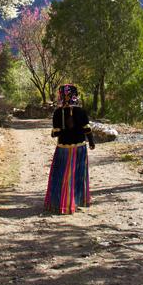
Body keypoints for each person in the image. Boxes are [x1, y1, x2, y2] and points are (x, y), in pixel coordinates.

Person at [44, 84, 95, 214]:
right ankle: (78, 201)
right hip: (80, 148)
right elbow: (87, 129)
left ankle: (61, 203)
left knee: (62, 174)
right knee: (78, 174)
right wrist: (92, 142)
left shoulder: (58, 112)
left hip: (63, 149)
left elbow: (55, 133)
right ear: (75, 95)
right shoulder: (82, 112)